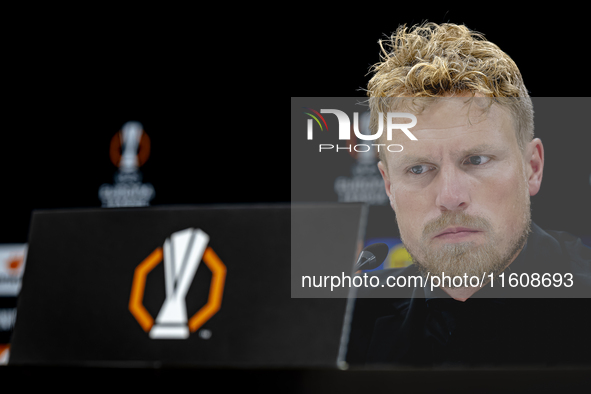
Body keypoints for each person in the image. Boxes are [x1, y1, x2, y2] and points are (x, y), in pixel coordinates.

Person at [346, 22, 591, 367]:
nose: (450, 196)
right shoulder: (343, 326)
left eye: (476, 160)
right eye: (418, 169)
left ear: (532, 168)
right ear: (388, 185)